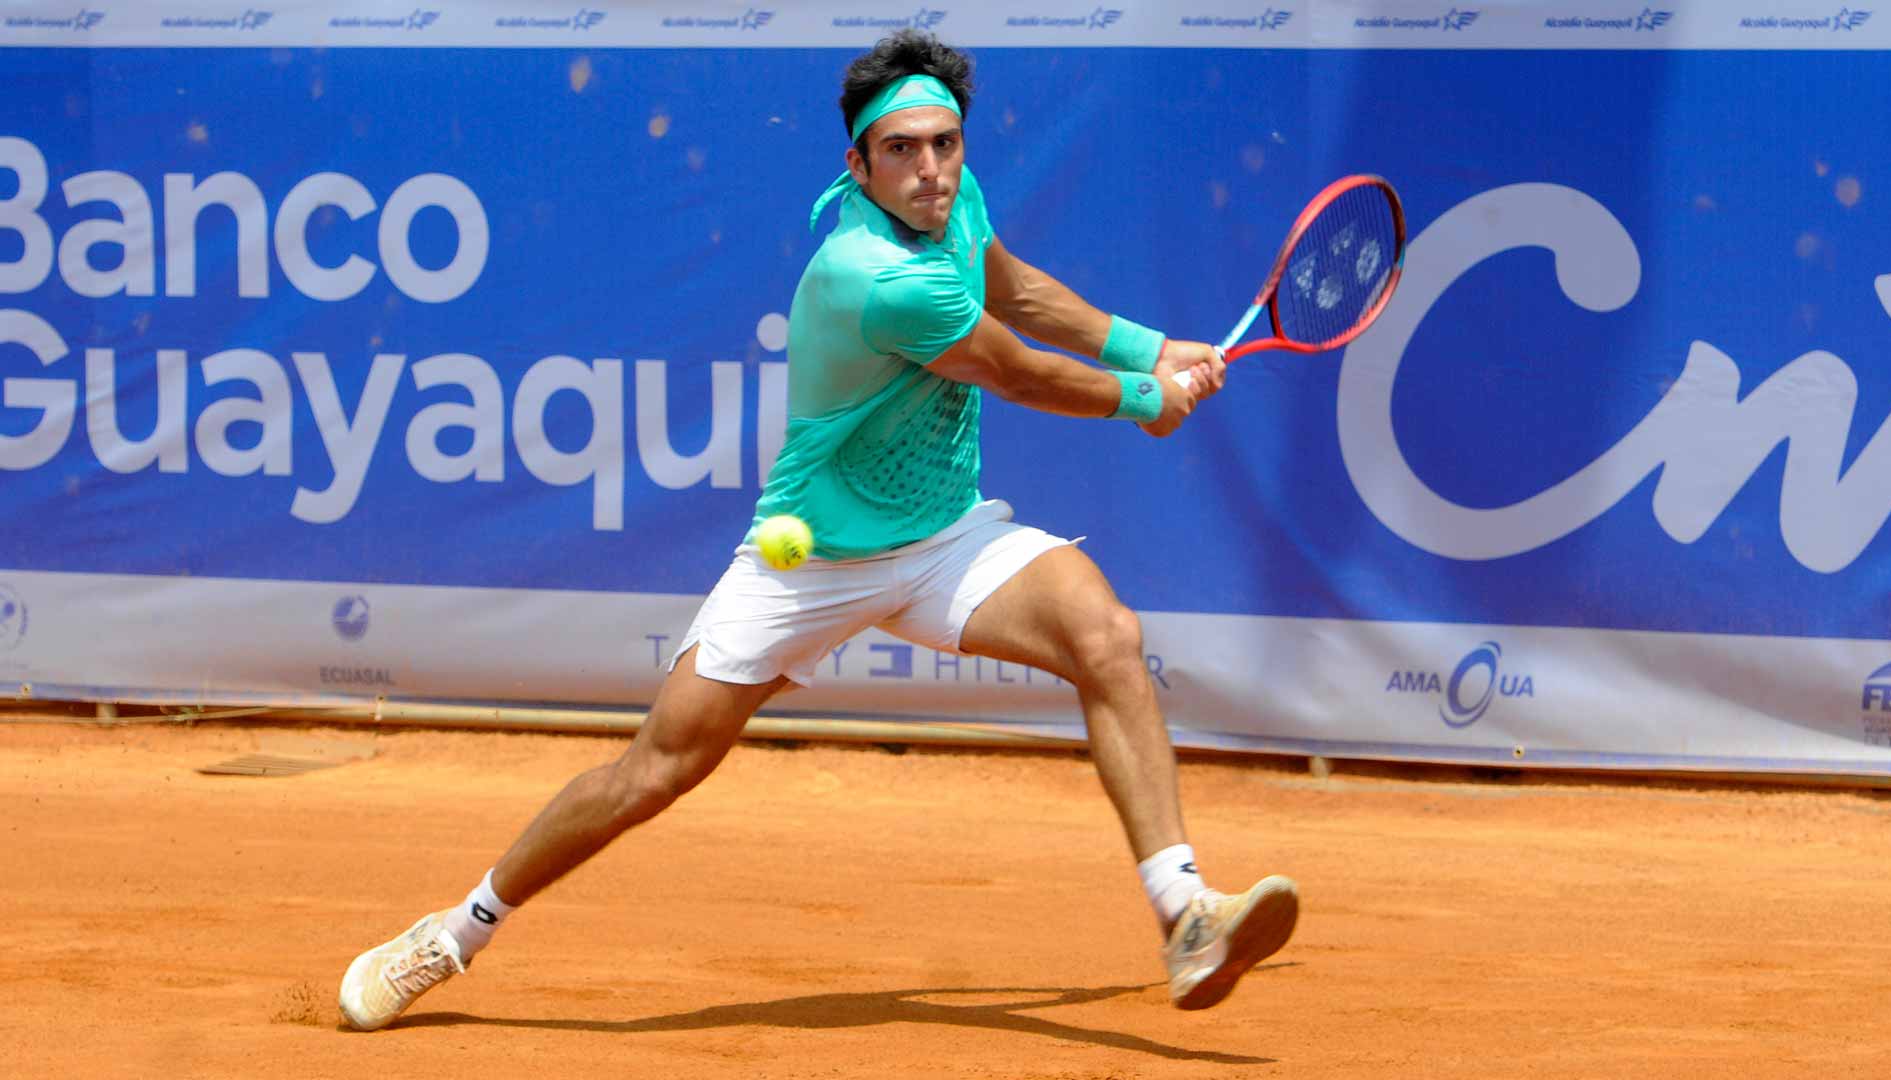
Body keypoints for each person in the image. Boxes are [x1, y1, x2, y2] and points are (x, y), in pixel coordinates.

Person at [338, 29, 1296, 1031]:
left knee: (1107, 636)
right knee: (652, 773)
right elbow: (1010, 364)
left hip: (940, 540)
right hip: (814, 558)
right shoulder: (876, 275)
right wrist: (1145, 396)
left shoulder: (955, 206)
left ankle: (1186, 914)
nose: (931, 170)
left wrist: (1148, 346)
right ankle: (454, 933)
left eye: (946, 143)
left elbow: (1012, 286)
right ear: (858, 163)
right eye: (902, 151)